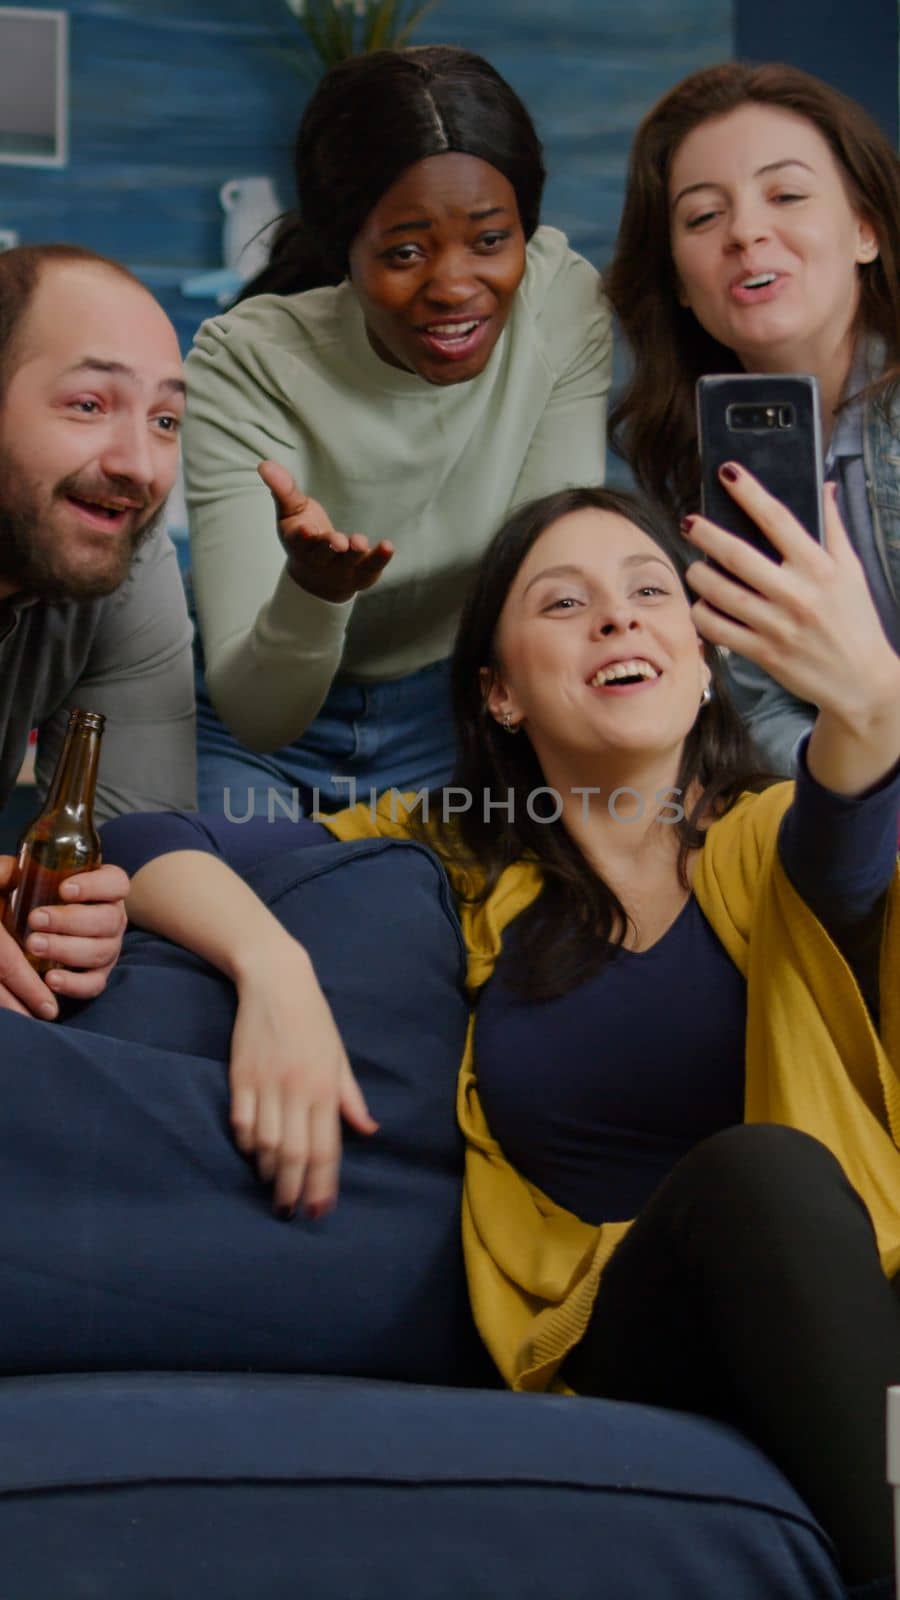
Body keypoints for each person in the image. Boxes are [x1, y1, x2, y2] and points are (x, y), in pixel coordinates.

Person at [102, 465, 900, 1594]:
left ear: (707, 652)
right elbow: (147, 842)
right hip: (628, 1327)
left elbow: (853, 836)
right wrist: (273, 969)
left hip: (856, 1307)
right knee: (756, 1178)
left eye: (650, 591)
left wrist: (869, 709)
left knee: (781, 1182)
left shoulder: (781, 839)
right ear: (499, 694)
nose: (619, 615)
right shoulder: (452, 856)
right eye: (564, 603)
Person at [182, 44, 612, 818]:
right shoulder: (245, 361)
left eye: (490, 240)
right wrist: (313, 593)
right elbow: (260, 713)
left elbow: (552, 577)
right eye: (405, 252)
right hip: (260, 736)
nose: (453, 287)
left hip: (458, 711)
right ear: (344, 248)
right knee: (247, 887)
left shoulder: (562, 308)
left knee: (436, 915)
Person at [605, 61, 900, 775]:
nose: (745, 232)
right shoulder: (693, 462)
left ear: (866, 230)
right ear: (678, 278)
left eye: (787, 194)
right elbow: (765, 710)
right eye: (704, 216)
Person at [0, 242, 196, 1019]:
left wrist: (270, 967)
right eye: (88, 405)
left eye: (166, 419)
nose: (140, 465)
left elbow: (138, 836)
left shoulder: (119, 545)